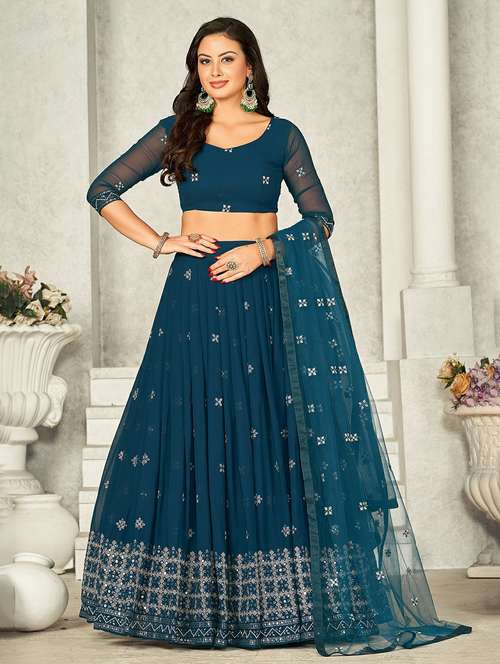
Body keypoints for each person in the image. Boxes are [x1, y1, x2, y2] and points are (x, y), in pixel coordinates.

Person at [79, 16, 472, 656]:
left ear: (250, 67)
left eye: (226, 59)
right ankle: (193, 605)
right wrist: (162, 241)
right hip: (196, 296)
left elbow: (320, 219)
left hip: (262, 294)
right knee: (194, 428)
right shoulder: (179, 132)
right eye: (204, 60)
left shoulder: (281, 135)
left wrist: (262, 251)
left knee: (265, 426)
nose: (214, 71)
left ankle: (284, 603)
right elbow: (104, 190)